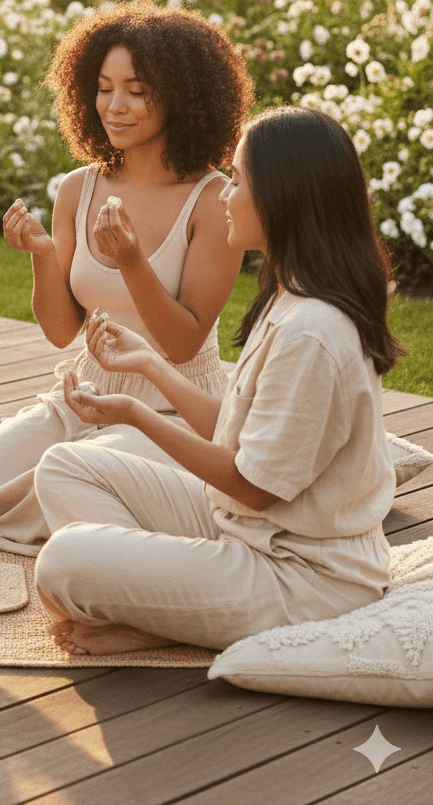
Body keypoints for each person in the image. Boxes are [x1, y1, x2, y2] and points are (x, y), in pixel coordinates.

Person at [34, 106, 405, 655]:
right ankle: (170, 604)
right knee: (64, 466)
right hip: (246, 529)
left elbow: (251, 485)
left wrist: (133, 413)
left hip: (303, 578)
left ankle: (162, 614)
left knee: (64, 563)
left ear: (281, 197)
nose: (224, 195)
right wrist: (149, 364)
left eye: (236, 180)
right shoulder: (292, 294)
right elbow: (235, 431)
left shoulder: (312, 331)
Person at [0, 1, 254, 553]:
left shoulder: (214, 199)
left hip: (171, 408)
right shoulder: (78, 189)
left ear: (183, 96)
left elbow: (182, 342)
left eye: (136, 90)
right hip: (86, 393)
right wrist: (41, 251)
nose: (114, 106)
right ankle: (5, 439)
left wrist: (131, 261)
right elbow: (61, 331)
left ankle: (16, 445)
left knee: (68, 479)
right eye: (104, 88)